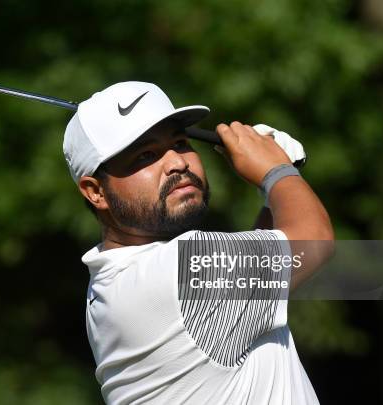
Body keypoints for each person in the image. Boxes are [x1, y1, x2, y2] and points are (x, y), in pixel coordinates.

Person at [63, 81, 334, 404]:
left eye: (179, 142)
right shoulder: (175, 274)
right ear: (95, 191)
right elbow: (313, 241)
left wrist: (271, 193)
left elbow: (270, 253)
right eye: (145, 155)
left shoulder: (115, 283)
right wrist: (276, 171)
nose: (177, 162)